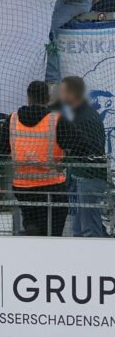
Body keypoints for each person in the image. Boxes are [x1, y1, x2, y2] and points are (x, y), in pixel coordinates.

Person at [0, 80, 73, 237]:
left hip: (23, 187)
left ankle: (32, 240)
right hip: (52, 187)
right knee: (53, 231)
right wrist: (66, 161)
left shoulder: (12, 120)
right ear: (48, 99)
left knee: (32, 224)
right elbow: (80, 147)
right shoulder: (57, 120)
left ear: (29, 98)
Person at [59, 77, 109, 238]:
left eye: (63, 90)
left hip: (89, 177)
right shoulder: (81, 114)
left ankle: (96, 260)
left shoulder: (84, 116)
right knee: (79, 229)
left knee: (89, 229)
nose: (60, 94)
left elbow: (88, 148)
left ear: (72, 93)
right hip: (83, 176)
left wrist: (63, 161)